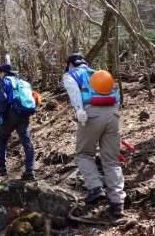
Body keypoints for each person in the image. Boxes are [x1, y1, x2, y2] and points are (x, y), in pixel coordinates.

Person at [63, 53, 125, 223]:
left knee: (83, 154)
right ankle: (117, 202)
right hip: (113, 113)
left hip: (91, 114)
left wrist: (79, 110)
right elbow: (116, 94)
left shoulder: (71, 75)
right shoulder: (97, 73)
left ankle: (96, 187)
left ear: (70, 64)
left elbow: (75, 94)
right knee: (112, 160)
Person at [0, 63, 36, 180]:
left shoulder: (5, 81)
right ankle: (30, 170)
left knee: (2, 139)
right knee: (26, 141)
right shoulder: (23, 83)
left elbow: (2, 99)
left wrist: (0, 115)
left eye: (1, 72)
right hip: (24, 113)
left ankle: (2, 168)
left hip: (10, 114)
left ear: (4, 72)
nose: (0, 74)